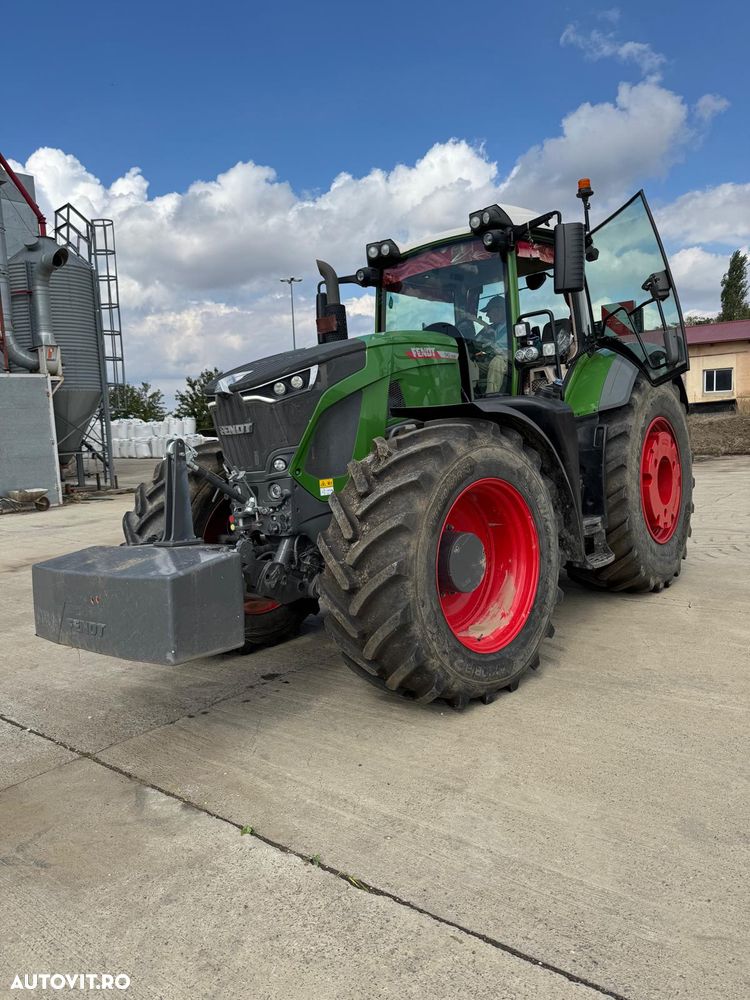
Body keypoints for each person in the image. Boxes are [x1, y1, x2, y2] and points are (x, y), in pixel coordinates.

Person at [469, 294, 509, 396]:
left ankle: (491, 397)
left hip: (509, 361)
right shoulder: (490, 328)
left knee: (497, 361)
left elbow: (504, 349)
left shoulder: (514, 324)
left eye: (489, 311)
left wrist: (487, 347)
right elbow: (475, 342)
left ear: (500, 310)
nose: (487, 315)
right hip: (489, 360)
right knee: (468, 366)